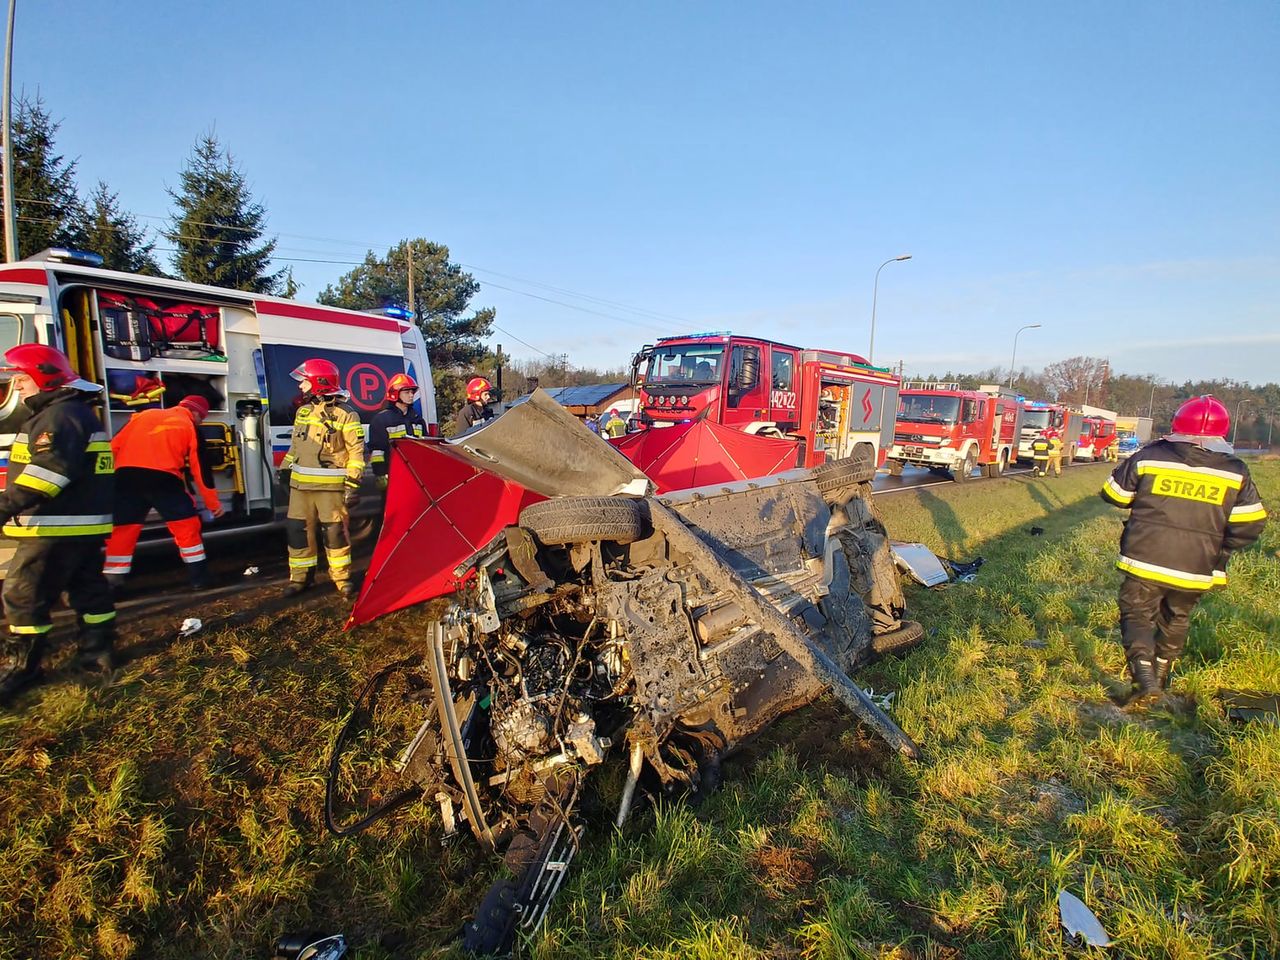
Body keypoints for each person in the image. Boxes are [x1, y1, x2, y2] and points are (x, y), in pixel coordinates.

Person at [1100, 395, 1267, 702]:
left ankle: (1145, 682)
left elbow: (1114, 494)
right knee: (1177, 616)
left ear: (1177, 425)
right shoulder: (1235, 470)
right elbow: (1251, 524)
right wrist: (1219, 547)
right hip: (1197, 565)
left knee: (1137, 613)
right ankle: (1161, 678)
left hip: (1144, 558)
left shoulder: (1151, 456)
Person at [0, 344, 116, 702]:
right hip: (80, 525)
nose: (17, 388)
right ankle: (97, 655)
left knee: (23, 594)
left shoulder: (58, 417)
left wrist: (5, 506)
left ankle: (23, 669)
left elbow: (47, 474)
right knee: (89, 591)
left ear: (43, 379)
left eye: (21, 380)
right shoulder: (73, 413)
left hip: (55, 527)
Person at [102, 395, 224, 591]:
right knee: (186, 527)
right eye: (202, 417)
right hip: (163, 480)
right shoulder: (190, 426)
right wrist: (213, 504)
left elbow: (112, 447)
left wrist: (106, 483)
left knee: (122, 531)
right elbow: (201, 470)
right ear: (194, 413)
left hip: (126, 479)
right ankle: (199, 578)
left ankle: (111, 584)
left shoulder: (142, 416)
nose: (202, 421)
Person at [279, 359, 366, 599]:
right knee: (298, 532)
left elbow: (356, 452)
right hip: (300, 488)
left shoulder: (346, 415)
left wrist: (352, 483)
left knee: (334, 533)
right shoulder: (303, 412)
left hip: (330, 489)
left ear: (319, 383)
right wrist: (284, 469)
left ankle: (342, 579)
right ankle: (300, 579)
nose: (301, 386)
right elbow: (296, 445)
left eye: (305, 381)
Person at [368, 373, 427, 488]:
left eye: (412, 392)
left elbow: (425, 446)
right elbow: (377, 452)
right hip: (392, 475)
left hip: (415, 474)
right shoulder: (381, 420)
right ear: (395, 394)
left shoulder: (418, 419)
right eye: (407, 392)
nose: (411, 395)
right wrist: (380, 474)